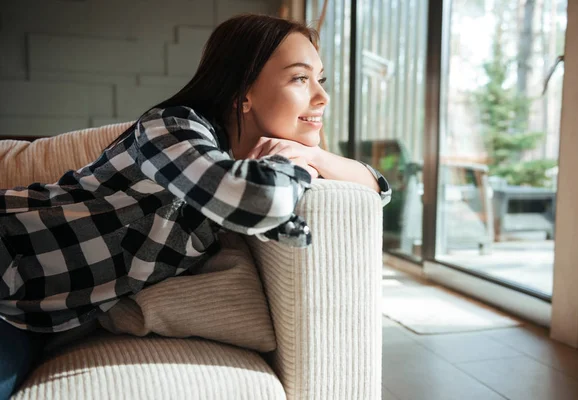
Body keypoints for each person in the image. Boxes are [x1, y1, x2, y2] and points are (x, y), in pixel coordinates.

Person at [0, 13, 391, 398]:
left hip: (26, 316)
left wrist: (318, 159)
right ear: (243, 93)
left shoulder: (240, 164)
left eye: (320, 79)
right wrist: (287, 162)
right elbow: (258, 201)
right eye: (300, 78)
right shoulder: (169, 129)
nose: (323, 97)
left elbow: (378, 187)